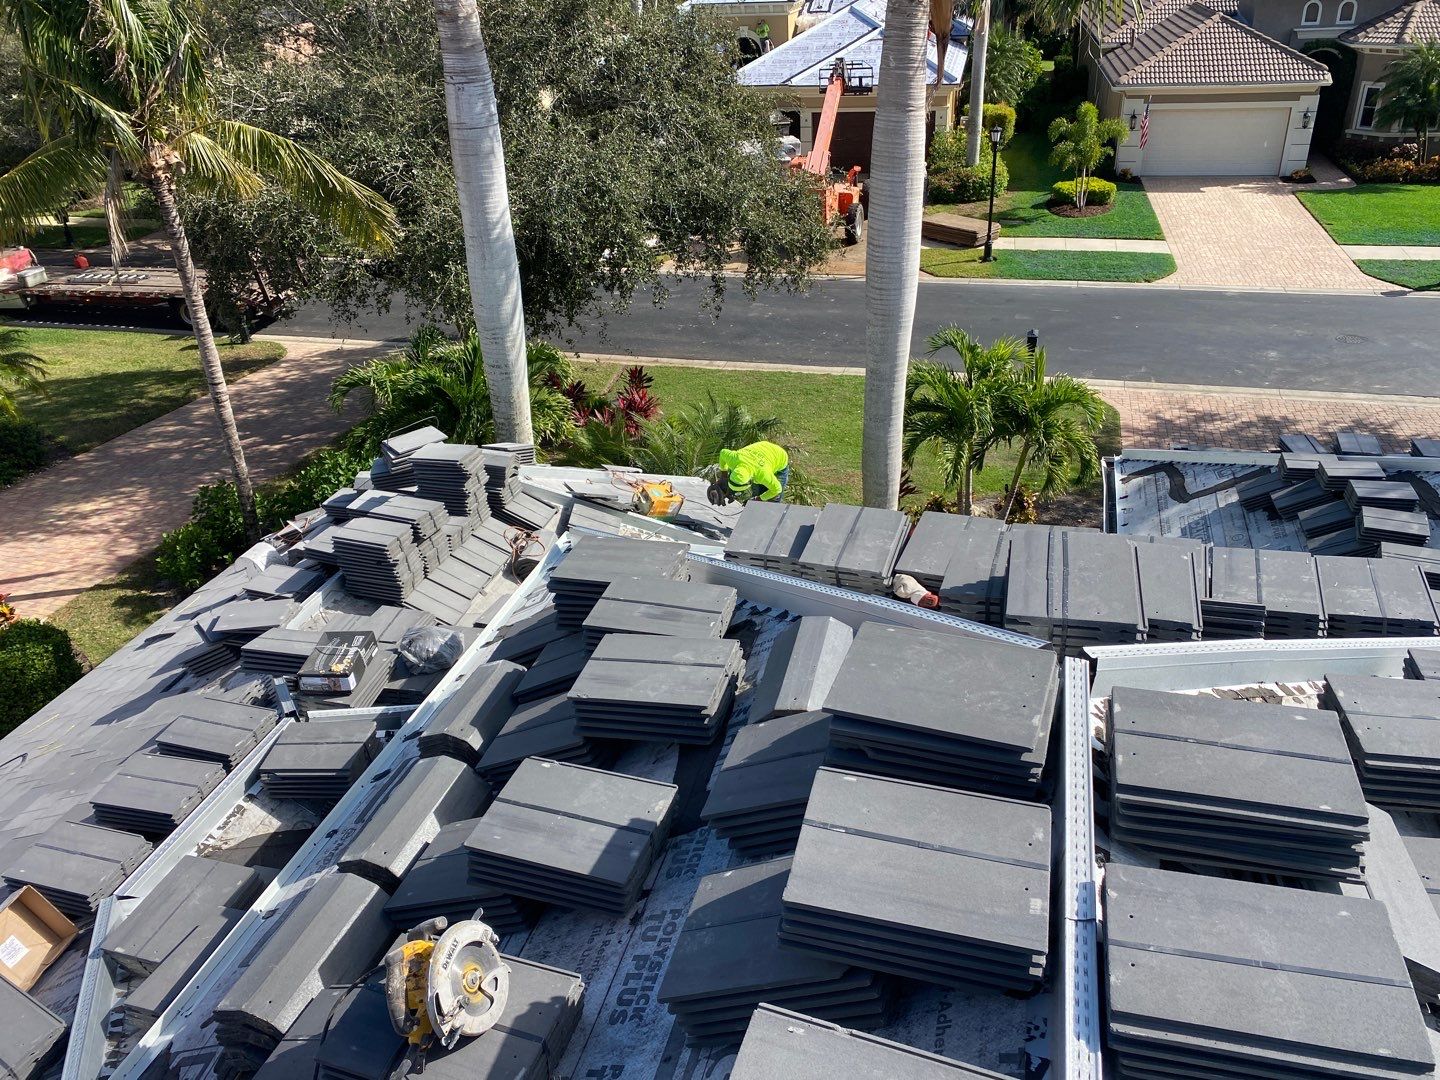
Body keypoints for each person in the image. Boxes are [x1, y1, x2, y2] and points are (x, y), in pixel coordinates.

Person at [717, 441, 789, 502]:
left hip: (780, 456)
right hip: (762, 448)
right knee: (758, 491)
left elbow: (777, 489)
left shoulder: (762, 474)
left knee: (772, 501)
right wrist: (724, 475)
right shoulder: (734, 458)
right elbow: (722, 452)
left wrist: (758, 499)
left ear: (750, 481)